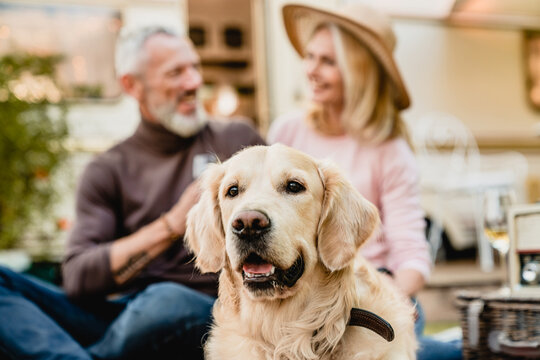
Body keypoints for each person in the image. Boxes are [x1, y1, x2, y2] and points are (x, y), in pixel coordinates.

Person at [0, 26, 264, 360]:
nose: (193, 82)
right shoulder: (108, 168)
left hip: (212, 309)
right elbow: (78, 277)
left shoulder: (236, 139)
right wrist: (170, 225)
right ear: (131, 85)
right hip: (124, 317)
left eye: (194, 67)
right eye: (176, 73)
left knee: (167, 299)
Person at [269, 3, 462, 360]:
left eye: (327, 61)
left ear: (359, 71)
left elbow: (412, 257)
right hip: (302, 287)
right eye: (310, 56)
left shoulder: (390, 151)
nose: (310, 70)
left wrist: (385, 297)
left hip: (372, 284)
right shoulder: (287, 131)